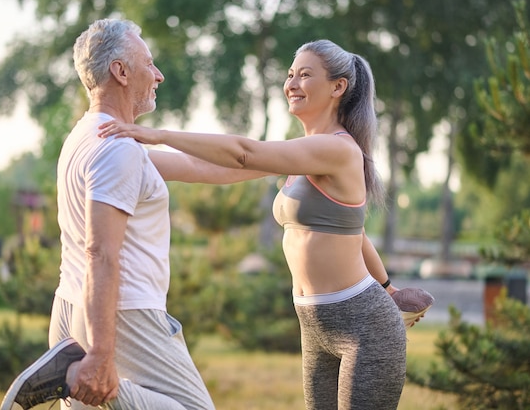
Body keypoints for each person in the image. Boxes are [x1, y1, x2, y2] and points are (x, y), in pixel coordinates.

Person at [97, 39, 435, 409]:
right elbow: (204, 168)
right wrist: (121, 150)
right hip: (315, 324)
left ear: (338, 87)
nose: (291, 83)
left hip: (364, 326)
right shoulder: (303, 153)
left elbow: (245, 153)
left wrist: (159, 133)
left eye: (305, 75)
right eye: (290, 74)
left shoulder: (338, 149)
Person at [0, 18, 266, 410]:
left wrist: (296, 160)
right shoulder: (117, 149)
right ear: (120, 72)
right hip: (125, 313)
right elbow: (101, 252)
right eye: (149, 63)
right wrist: (100, 355)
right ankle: (69, 377)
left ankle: (69, 373)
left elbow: (202, 167)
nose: (157, 75)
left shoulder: (89, 137)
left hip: (74, 305)